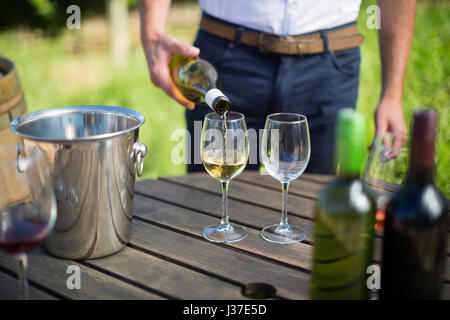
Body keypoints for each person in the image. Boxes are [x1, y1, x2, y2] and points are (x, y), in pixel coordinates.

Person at [139, 0, 415, 174]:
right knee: (212, 209)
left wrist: (392, 93)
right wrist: (152, 34)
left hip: (330, 66)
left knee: (309, 218)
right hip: (224, 65)